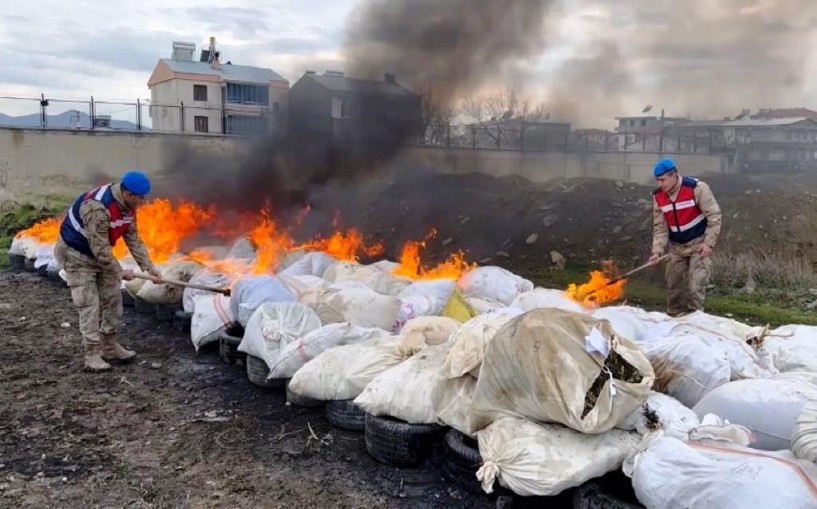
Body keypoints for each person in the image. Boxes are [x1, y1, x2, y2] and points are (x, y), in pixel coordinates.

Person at [54, 171, 162, 372]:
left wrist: (149, 267)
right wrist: (120, 271)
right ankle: (92, 355)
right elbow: (100, 250)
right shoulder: (97, 208)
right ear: (128, 194)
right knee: (89, 304)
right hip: (77, 255)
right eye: (140, 198)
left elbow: (133, 238)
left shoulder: (128, 207)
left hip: (99, 254)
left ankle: (109, 347)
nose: (142, 202)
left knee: (113, 299)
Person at [648, 158, 722, 316]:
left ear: (674, 175)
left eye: (663, 180)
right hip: (676, 248)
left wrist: (709, 244)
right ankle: (674, 316)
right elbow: (660, 227)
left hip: (698, 245)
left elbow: (714, 217)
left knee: (696, 287)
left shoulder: (697, 188)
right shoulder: (658, 197)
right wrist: (657, 252)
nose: (660, 184)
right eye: (657, 181)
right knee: (673, 287)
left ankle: (696, 321)